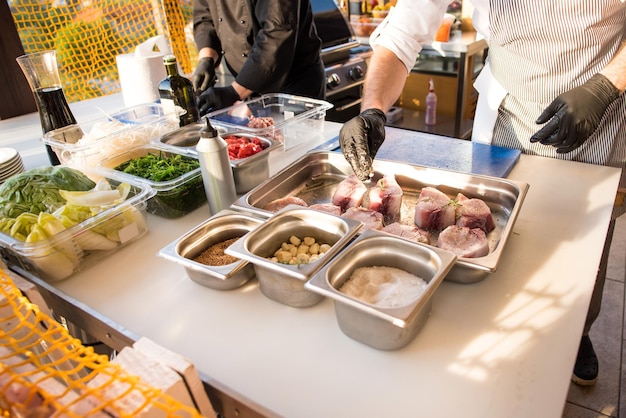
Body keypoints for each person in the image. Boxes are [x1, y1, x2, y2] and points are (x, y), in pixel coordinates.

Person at [339, 0, 626, 386]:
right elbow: (402, 32)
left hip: (598, 111)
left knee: (583, 244)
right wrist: (372, 108)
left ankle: (580, 331)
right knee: (497, 241)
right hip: (509, 117)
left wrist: (606, 85)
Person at [191, 0, 326, 116]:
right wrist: (207, 58)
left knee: (295, 143)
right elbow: (205, 17)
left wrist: (234, 92)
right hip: (248, 83)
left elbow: (277, 31)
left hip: (292, 86)